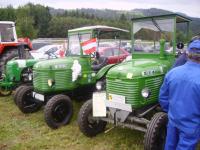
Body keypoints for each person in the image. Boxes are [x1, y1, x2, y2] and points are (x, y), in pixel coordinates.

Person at [159, 39, 200, 150]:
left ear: (187, 54)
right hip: (191, 125)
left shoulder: (173, 72)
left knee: (170, 145)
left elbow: (163, 97)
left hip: (173, 120)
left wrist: (172, 111)